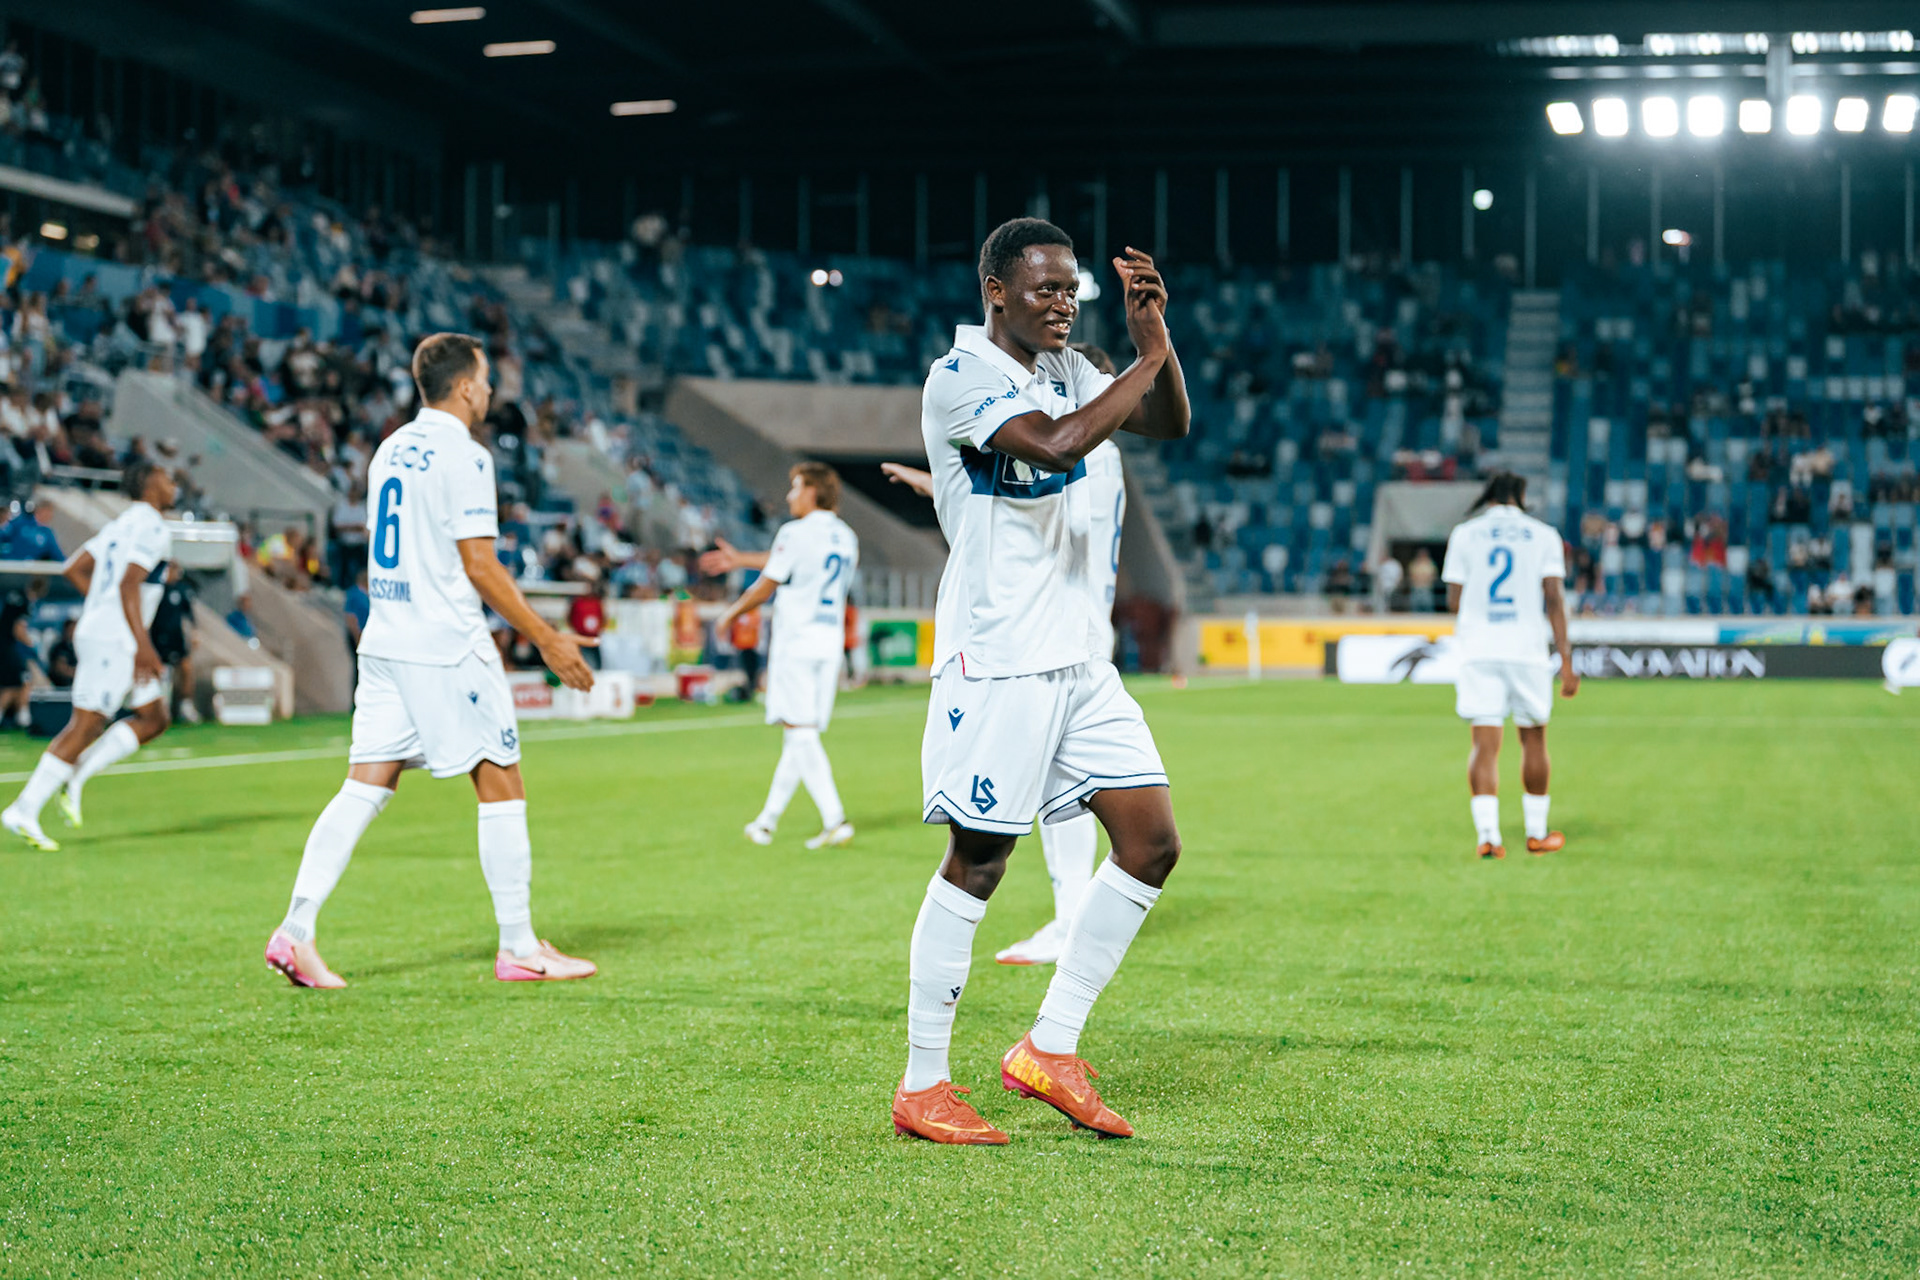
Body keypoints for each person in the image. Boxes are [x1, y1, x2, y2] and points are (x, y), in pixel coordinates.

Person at [892, 219, 1189, 1146]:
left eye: (1071, 290)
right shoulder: (961, 377)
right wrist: (1138, 359)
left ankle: (1050, 1048)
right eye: (1043, 289)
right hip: (1000, 661)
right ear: (994, 289)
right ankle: (922, 1082)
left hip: (1079, 663)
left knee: (1151, 845)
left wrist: (1159, 348)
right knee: (980, 863)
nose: (1062, 303)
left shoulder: (1068, 368)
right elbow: (1057, 446)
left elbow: (1170, 421)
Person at [263, 333, 599, 990]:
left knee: (365, 786)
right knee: (501, 779)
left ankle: (294, 932)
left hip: (386, 640)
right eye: (487, 379)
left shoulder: (391, 448)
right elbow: (478, 564)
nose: (492, 391)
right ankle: (520, 947)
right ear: (468, 387)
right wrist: (546, 637)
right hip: (445, 645)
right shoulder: (466, 458)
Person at [880, 341, 1123, 968]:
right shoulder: (1104, 452)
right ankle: (1067, 933)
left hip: (1040, 633)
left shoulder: (1090, 443)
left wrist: (1148, 358)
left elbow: (1047, 456)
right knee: (1053, 805)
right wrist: (942, 480)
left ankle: (1070, 915)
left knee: (1013, 827)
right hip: (1079, 623)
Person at [1, 460, 178, 850]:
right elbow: (130, 583)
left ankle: (77, 775)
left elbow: (73, 568)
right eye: (166, 477)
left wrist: (101, 608)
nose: (172, 484)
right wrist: (141, 643)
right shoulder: (152, 526)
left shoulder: (121, 523)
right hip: (118, 640)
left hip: (108, 632)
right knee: (86, 724)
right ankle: (23, 809)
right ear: (148, 483)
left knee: (154, 717)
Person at [705, 463, 860, 850]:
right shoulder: (846, 537)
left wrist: (730, 614)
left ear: (811, 492)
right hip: (829, 643)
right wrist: (742, 558)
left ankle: (835, 819)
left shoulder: (794, 532)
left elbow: (766, 586)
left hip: (797, 641)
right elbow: (795, 561)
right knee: (800, 737)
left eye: (795, 488)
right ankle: (767, 821)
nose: (790, 496)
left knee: (800, 732)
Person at [1441, 471, 1578, 859]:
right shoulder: (1543, 534)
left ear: (1488, 498)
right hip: (1526, 650)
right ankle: (1536, 834)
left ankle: (1489, 837)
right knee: (1533, 739)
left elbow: (1453, 600)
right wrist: (1565, 659)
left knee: (1484, 745)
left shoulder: (1465, 534)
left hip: (1478, 650)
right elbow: (1553, 598)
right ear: (1521, 496)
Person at [150, 561, 202, 725]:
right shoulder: (156, 588)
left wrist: (194, 634)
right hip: (157, 637)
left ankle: (186, 706)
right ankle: (159, 708)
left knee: (186, 668)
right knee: (158, 672)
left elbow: (190, 615)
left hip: (176, 637)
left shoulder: (182, 589)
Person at [0, 574, 45, 728]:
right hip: (6, 649)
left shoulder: (15, 596)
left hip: (5, 649)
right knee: (20, 682)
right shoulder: (24, 602)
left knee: (15, 684)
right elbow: (18, 629)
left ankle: (23, 717)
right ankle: (24, 718)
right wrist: (32, 644)